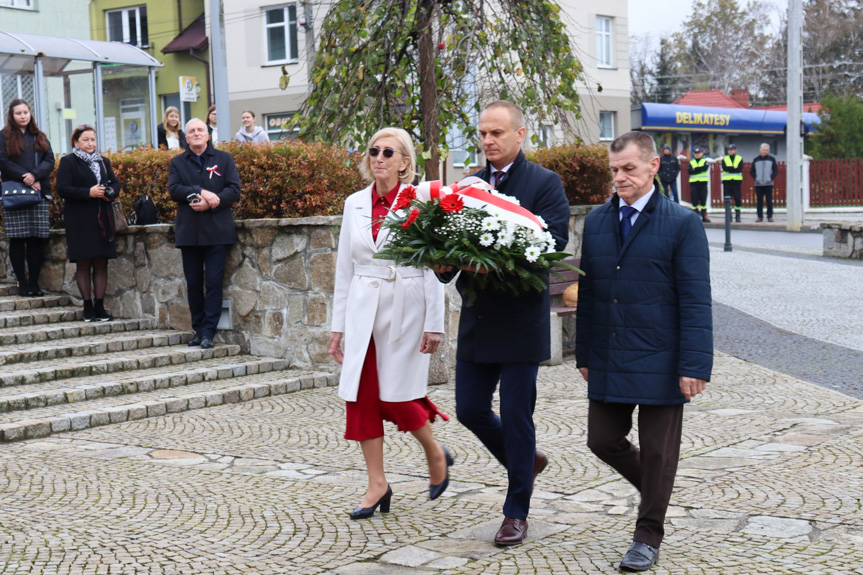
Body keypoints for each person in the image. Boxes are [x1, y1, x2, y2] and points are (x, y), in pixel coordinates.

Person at [576, 131, 713, 573]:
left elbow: (696, 299)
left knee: (659, 452)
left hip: (663, 357)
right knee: (601, 439)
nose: (620, 178)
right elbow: (591, 292)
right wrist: (585, 352)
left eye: (629, 169)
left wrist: (694, 364)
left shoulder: (682, 223)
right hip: (612, 353)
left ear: (653, 166)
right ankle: (658, 489)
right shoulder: (597, 221)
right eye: (614, 170)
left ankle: (647, 535)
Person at [436, 101, 570, 546]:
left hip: (520, 320)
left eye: (497, 133)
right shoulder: (468, 185)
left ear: (521, 134)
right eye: (483, 133)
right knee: (471, 409)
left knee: (516, 415)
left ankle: (516, 511)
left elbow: (552, 243)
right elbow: (450, 249)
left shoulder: (544, 183)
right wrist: (441, 261)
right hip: (478, 318)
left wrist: (491, 262)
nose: (489, 141)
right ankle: (525, 461)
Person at [328, 127, 450, 520]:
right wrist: (337, 326)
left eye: (388, 152)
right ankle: (377, 483)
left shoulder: (420, 200)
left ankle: (434, 452)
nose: (378, 157)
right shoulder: (353, 204)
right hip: (364, 307)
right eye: (373, 151)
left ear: (404, 163)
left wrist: (436, 323)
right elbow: (344, 268)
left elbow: (434, 266)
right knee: (361, 397)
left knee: (397, 394)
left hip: (406, 307)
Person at [168, 118, 241, 349]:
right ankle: (198, 329)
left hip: (217, 231)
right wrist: (200, 191)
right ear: (186, 137)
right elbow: (174, 190)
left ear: (208, 136)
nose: (197, 134)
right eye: (192, 131)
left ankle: (209, 332)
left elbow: (234, 190)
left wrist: (211, 203)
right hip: (189, 232)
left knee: (213, 283)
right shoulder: (178, 162)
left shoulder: (223, 159)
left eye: (201, 130)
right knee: (193, 283)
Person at [56, 125, 122, 321]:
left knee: (102, 262)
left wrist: (111, 192)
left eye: (93, 139)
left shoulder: (103, 161)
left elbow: (115, 183)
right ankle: (87, 306)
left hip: (103, 217)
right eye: (86, 140)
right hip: (80, 220)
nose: (90, 143)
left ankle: (100, 306)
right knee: (84, 262)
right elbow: (62, 189)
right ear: (76, 142)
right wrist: (88, 193)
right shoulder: (68, 162)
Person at [0, 99, 55, 297]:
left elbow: (50, 160)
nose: (23, 116)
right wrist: (27, 178)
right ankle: (22, 283)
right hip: (15, 193)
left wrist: (36, 175)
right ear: (11, 116)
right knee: (17, 238)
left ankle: (34, 283)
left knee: (35, 239)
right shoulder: (4, 136)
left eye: (25, 112)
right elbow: (3, 161)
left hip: (39, 193)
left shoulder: (39, 136)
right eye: (18, 113)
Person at [750, 143, 778, 223]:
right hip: (758, 184)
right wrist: (756, 178)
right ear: (760, 150)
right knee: (759, 201)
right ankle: (759, 216)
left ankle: (770, 216)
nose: (765, 151)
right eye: (764, 150)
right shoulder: (756, 160)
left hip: (769, 184)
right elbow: (751, 171)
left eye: (767, 150)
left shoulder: (772, 159)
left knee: (769, 201)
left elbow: (776, 170)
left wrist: (771, 178)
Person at [721, 143, 744, 222]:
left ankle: (738, 216)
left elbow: (739, 169)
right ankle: (728, 216)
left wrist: (730, 168)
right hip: (727, 182)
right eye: (729, 150)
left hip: (736, 182)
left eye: (732, 150)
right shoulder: (725, 158)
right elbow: (724, 168)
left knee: (737, 199)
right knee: (727, 199)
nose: (730, 151)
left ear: (735, 150)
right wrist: (733, 168)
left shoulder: (739, 158)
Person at [687, 146, 710, 222]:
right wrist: (699, 169)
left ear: (702, 154)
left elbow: (704, 168)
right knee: (694, 201)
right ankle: (695, 217)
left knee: (703, 200)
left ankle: (704, 216)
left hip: (703, 183)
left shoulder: (705, 161)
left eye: (698, 153)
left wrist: (695, 169)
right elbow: (690, 171)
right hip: (694, 183)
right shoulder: (691, 162)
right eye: (695, 153)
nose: (697, 155)